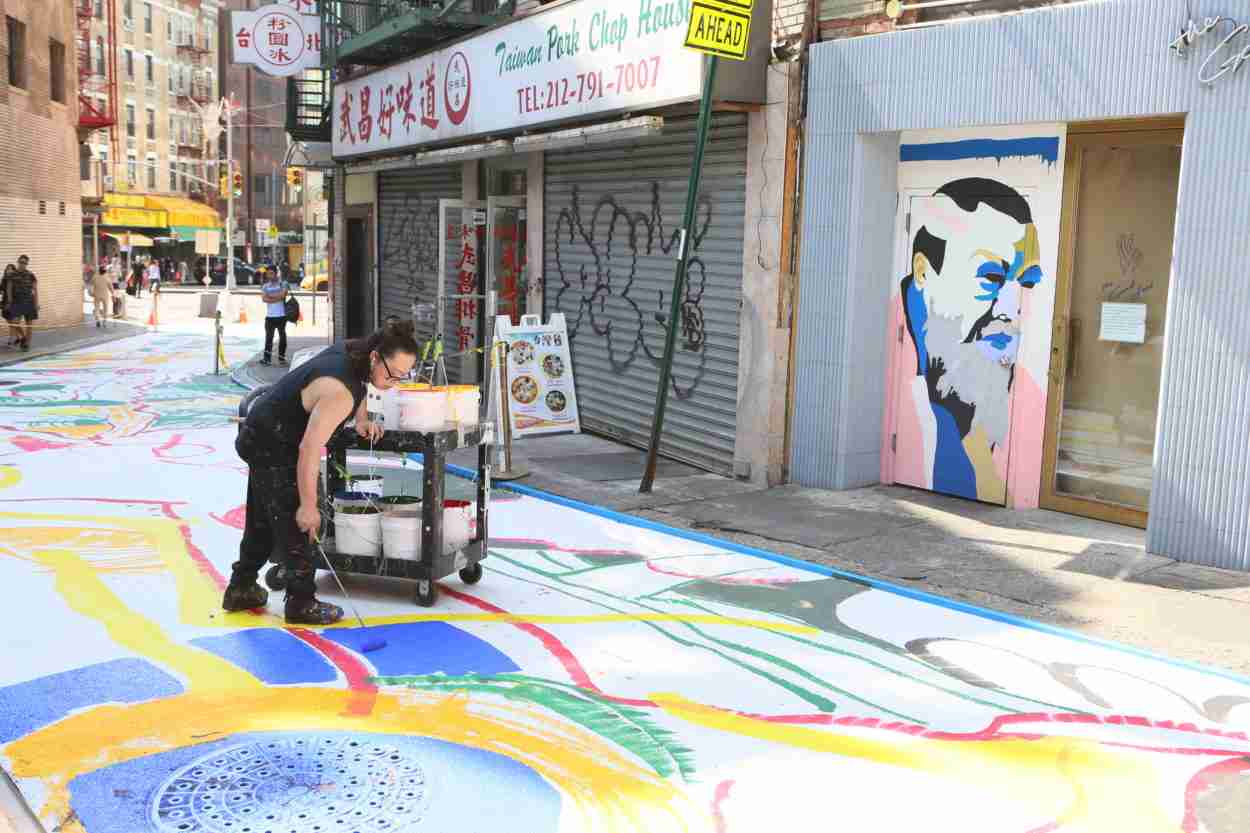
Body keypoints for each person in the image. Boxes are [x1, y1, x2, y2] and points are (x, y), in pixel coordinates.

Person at [223, 320, 419, 624]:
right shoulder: (339, 393)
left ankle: (241, 587)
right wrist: (308, 506)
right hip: (274, 442)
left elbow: (363, 386)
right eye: (392, 375)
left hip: (262, 427)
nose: (394, 382)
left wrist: (362, 418)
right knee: (299, 521)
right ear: (375, 358)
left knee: (263, 517)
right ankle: (301, 602)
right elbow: (309, 450)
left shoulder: (355, 350)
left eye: (404, 376)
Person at [5, 255, 38, 351]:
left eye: (25, 263)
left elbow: (35, 290)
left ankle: (27, 344)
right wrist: (9, 301)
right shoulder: (12, 274)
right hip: (17, 302)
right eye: (21, 262)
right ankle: (23, 338)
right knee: (15, 322)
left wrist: (36, 303)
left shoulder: (31, 275)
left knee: (29, 324)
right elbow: (9, 288)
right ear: (18, 262)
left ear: (27, 264)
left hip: (29, 302)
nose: (22, 264)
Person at [260, 267, 290, 366]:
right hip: (269, 317)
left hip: (281, 316)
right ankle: (266, 359)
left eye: (272, 273)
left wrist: (270, 296)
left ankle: (281, 359)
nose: (270, 276)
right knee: (269, 338)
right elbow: (264, 299)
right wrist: (278, 296)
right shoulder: (265, 286)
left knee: (282, 337)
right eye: (268, 274)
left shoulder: (283, 283)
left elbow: (283, 295)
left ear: (276, 273)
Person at [0, 264, 15, 346]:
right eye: (8, 269)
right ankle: (19, 336)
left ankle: (11, 339)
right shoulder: (4, 279)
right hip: (5, 302)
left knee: (12, 321)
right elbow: (1, 290)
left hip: (13, 303)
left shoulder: (15, 280)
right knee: (10, 321)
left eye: (11, 269)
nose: (9, 270)